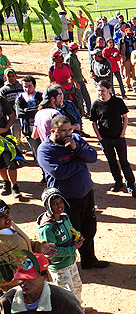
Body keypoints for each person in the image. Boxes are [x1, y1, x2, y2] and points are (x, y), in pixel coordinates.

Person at [37, 115, 108, 269]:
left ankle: (89, 260)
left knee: (89, 229)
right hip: (65, 201)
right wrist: (80, 162)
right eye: (63, 131)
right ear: (53, 131)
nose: (68, 133)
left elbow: (93, 157)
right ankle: (70, 265)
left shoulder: (75, 139)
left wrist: (76, 149)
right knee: (70, 234)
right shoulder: (45, 150)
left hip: (86, 193)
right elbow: (59, 173)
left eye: (70, 129)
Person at [90, 81, 136, 198]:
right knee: (112, 162)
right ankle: (118, 182)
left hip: (118, 138)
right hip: (105, 139)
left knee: (124, 162)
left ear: (109, 90)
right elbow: (94, 122)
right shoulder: (95, 104)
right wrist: (99, 137)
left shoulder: (118, 102)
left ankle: (131, 186)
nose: (101, 93)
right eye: (99, 91)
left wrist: (122, 134)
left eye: (103, 90)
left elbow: (125, 117)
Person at [0, 252, 87, 314]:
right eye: (21, 278)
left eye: (30, 279)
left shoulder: (64, 300)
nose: (23, 283)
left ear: (44, 276)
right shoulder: (7, 301)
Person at [36, 187, 84, 303]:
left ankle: (79, 310)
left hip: (71, 261)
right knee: (67, 295)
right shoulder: (47, 228)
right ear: (48, 206)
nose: (59, 205)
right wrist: (73, 248)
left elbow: (70, 229)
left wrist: (76, 236)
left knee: (77, 286)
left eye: (61, 201)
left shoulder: (64, 216)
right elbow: (51, 250)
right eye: (54, 203)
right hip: (60, 267)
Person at [16, 76, 43, 168]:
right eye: (25, 86)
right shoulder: (20, 98)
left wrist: (27, 111)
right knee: (37, 153)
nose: (27, 89)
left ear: (34, 86)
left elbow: (42, 109)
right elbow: (20, 113)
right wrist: (34, 111)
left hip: (42, 129)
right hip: (29, 130)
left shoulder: (40, 96)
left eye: (29, 86)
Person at [0, 90, 21, 197]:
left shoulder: (2, 101)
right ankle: (6, 183)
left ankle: (15, 186)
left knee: (11, 163)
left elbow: (12, 116)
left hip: (5, 138)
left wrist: (6, 128)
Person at [65, 43, 89, 116]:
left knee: (85, 96)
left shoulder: (75, 56)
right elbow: (69, 71)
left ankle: (88, 111)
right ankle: (82, 113)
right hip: (76, 81)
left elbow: (77, 69)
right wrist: (74, 81)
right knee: (79, 98)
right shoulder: (69, 58)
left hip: (80, 79)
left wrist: (83, 77)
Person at [0, 68, 24, 140]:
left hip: (22, 112)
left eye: (13, 76)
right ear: (5, 77)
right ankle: (17, 146)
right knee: (15, 130)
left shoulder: (21, 87)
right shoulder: (4, 90)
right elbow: (3, 103)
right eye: (9, 76)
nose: (11, 78)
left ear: (16, 76)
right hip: (12, 113)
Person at [118, 27, 136, 95]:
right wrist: (122, 57)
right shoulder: (122, 40)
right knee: (127, 72)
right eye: (128, 33)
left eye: (130, 33)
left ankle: (135, 86)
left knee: (134, 72)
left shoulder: (134, 39)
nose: (129, 35)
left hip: (133, 57)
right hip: (126, 58)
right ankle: (128, 85)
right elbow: (120, 50)